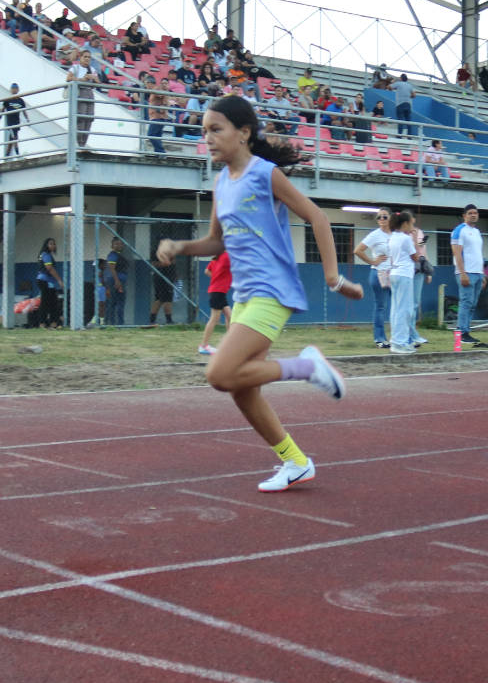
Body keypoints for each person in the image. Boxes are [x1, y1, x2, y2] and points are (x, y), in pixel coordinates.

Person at [155, 95, 363, 493]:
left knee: (220, 374)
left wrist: (333, 277)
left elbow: (317, 217)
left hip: (273, 290)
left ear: (244, 132)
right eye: (203, 132)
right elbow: (216, 242)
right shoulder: (221, 182)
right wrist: (180, 246)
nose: (208, 139)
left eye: (216, 130)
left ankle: (307, 368)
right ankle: (296, 462)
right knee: (241, 388)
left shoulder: (266, 174)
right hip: (246, 293)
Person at [450, 203, 488, 347]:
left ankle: (466, 331)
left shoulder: (477, 232)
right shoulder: (459, 231)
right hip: (466, 272)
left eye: (475, 213)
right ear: (464, 215)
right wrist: (462, 273)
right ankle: (461, 333)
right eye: (470, 213)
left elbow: (477, 254)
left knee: (472, 304)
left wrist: (482, 274)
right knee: (465, 303)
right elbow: (457, 252)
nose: (473, 215)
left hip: (477, 273)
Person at [353, 207, 393, 348]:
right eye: (379, 217)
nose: (381, 219)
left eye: (384, 216)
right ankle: (379, 339)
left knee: (398, 306)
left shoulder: (396, 234)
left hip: (394, 274)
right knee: (380, 306)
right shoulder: (375, 235)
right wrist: (372, 261)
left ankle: (398, 337)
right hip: (379, 273)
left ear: (391, 218)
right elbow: (358, 250)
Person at [386, 210, 420, 354]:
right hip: (404, 274)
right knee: (405, 309)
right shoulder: (406, 239)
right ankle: (400, 343)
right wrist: (415, 240)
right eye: (411, 223)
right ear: (405, 223)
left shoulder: (392, 237)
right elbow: (416, 257)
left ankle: (396, 341)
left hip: (395, 273)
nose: (412, 226)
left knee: (396, 309)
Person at [198, 251, 233, 356]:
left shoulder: (217, 257)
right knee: (214, 319)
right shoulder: (228, 256)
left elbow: (206, 271)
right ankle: (204, 346)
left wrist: (218, 278)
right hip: (218, 292)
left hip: (218, 291)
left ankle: (230, 345)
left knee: (230, 317)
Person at [35, 237, 64, 329]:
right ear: (46, 245)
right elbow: (49, 268)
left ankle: (52, 323)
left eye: (54, 244)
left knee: (52, 302)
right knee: (47, 302)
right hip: (45, 281)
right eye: (51, 243)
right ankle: (44, 323)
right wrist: (59, 280)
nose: (53, 245)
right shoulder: (45, 255)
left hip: (47, 281)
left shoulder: (46, 255)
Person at [104, 237, 128, 325]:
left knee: (116, 302)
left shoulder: (119, 255)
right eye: (116, 244)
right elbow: (112, 268)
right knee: (116, 302)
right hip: (116, 282)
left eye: (121, 244)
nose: (119, 246)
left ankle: (115, 323)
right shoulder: (112, 255)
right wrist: (117, 281)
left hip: (118, 280)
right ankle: (116, 323)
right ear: (112, 245)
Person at [0, 83, 26, 157]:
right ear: (10, 90)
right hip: (10, 120)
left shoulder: (20, 100)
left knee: (12, 137)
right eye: (13, 88)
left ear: (18, 90)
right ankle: (17, 152)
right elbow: (2, 110)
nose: (14, 90)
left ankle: (7, 153)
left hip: (16, 120)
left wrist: (27, 119)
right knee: (14, 135)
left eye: (15, 88)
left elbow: (24, 110)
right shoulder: (8, 100)